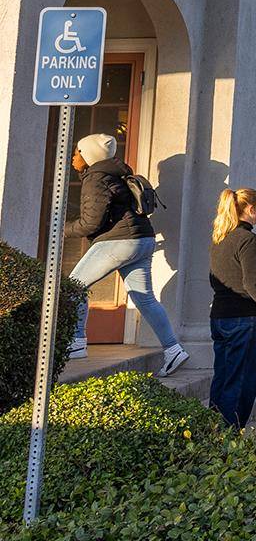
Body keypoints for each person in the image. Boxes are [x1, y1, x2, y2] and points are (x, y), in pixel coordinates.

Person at [63, 133, 187, 376]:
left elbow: (91, 222)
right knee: (145, 298)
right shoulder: (117, 173)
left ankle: (76, 342)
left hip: (119, 242)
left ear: (88, 155)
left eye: (78, 152)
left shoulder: (96, 178)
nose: (74, 157)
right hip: (143, 240)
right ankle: (173, 350)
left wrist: (62, 229)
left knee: (73, 286)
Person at [208, 186, 256, 427]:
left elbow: (214, 279)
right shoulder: (248, 240)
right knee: (241, 382)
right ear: (251, 208)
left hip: (219, 315)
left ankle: (213, 428)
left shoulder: (220, 237)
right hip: (243, 317)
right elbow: (253, 284)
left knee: (223, 376)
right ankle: (230, 435)